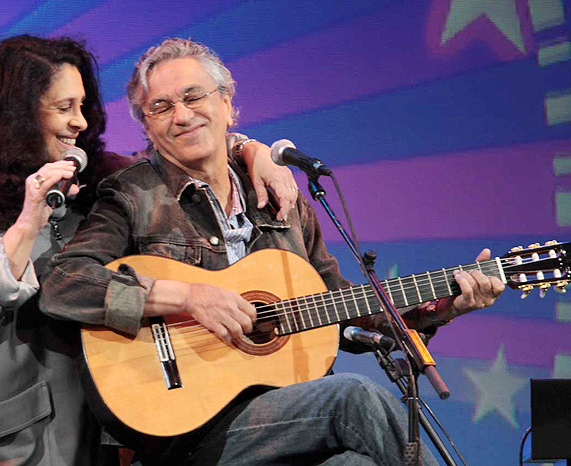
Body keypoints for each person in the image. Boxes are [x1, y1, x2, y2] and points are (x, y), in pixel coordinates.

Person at [39, 38, 506, 466]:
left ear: (226, 103)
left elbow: (344, 305)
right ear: (146, 124)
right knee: (352, 398)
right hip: (186, 429)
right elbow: (64, 285)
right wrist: (185, 297)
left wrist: (447, 304)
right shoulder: (132, 194)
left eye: (193, 96)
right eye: (160, 107)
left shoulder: (280, 197)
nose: (181, 115)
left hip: (282, 417)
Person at [0, 34, 296, 466]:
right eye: (63, 107)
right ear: (16, 114)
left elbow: (179, 148)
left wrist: (247, 149)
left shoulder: (88, 182)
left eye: (81, 106)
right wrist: (27, 223)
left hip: (77, 435)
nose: (79, 121)